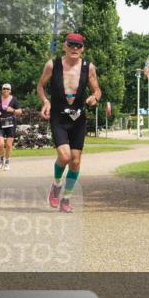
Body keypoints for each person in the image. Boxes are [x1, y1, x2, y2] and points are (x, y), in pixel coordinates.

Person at [37, 32, 101, 214]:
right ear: (64, 46)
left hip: (78, 118)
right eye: (71, 44)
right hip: (59, 116)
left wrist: (94, 97)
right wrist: (46, 101)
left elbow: (97, 90)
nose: (74, 48)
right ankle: (56, 185)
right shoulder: (53, 65)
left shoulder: (88, 67)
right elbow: (40, 86)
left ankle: (66, 199)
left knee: (76, 161)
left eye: (78, 46)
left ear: (83, 49)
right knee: (64, 157)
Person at [0, 83, 23, 171]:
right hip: (0, 123)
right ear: (2, 90)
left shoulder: (14, 100)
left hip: (10, 124)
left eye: (7, 89)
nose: (5, 90)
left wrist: (13, 110)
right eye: (4, 88)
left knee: (8, 145)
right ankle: (1, 160)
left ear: (10, 91)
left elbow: (20, 111)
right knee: (0, 144)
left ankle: (7, 161)